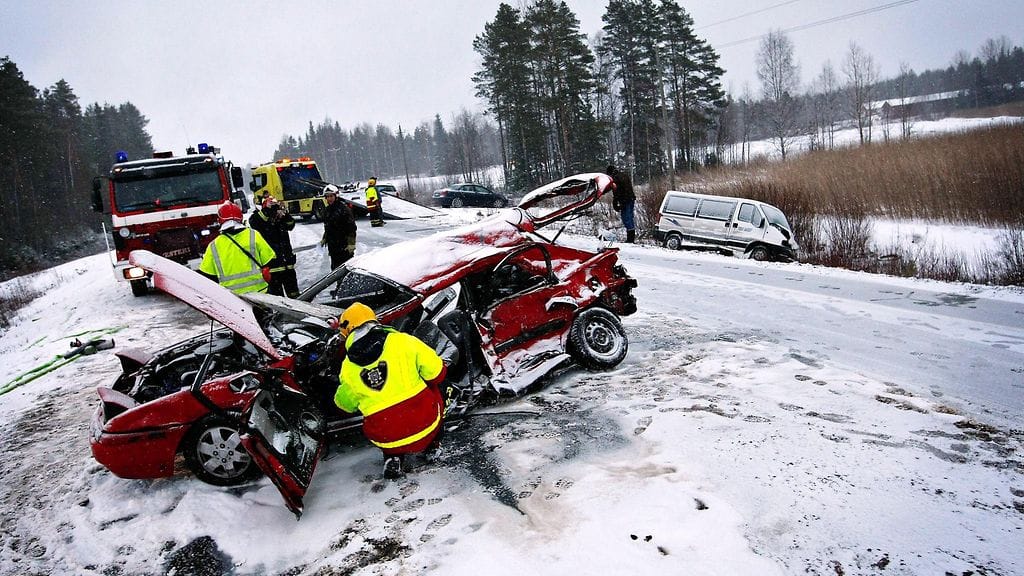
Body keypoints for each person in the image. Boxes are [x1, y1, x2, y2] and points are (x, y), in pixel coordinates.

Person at [333, 302, 447, 479]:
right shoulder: (403, 341)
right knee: (433, 386)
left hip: (387, 439)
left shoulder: (347, 368)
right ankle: (433, 445)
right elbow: (438, 373)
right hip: (425, 425)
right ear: (374, 321)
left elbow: (344, 406)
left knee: (374, 412)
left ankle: (393, 456)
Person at [198, 202, 276, 294]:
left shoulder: (214, 245)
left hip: (232, 299)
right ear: (241, 218)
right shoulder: (253, 235)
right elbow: (270, 261)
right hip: (260, 294)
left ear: (220, 220)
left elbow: (208, 275)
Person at [248, 196, 299, 297]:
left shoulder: (280, 220)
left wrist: (285, 215)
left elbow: (291, 225)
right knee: (278, 299)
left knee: (295, 296)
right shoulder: (259, 220)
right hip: (272, 269)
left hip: (287, 266)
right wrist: (267, 210)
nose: (275, 210)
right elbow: (254, 222)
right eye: (273, 207)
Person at [320, 184, 358, 271]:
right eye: (327, 196)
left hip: (344, 247)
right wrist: (325, 238)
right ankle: (339, 284)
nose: (329, 199)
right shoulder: (327, 210)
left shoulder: (344, 209)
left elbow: (351, 227)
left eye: (331, 196)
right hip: (333, 247)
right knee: (335, 270)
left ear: (336, 196)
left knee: (346, 270)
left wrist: (351, 243)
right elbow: (328, 227)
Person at [606, 164, 636, 243]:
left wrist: (616, 203)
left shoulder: (615, 179)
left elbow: (617, 192)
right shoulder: (624, 175)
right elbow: (627, 188)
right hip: (631, 198)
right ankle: (631, 238)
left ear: (610, 173)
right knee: (630, 218)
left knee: (626, 218)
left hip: (625, 200)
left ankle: (630, 239)